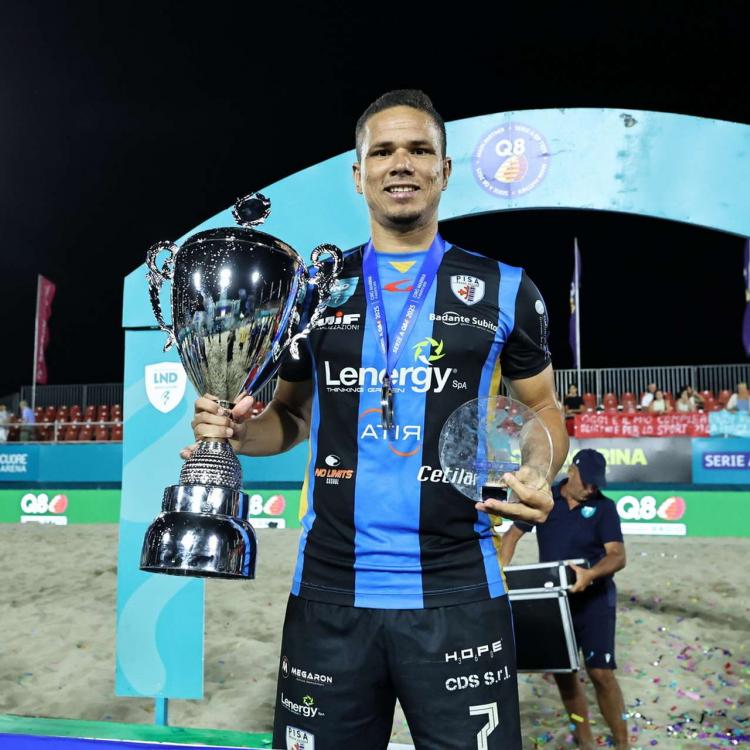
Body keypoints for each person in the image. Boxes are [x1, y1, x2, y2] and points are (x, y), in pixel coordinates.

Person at [184, 89, 568, 749]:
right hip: (329, 592)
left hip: (458, 591)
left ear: (445, 171)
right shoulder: (312, 291)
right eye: (383, 151)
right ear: (358, 174)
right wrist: (240, 433)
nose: (401, 163)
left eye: (419, 150)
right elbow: (290, 417)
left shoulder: (506, 288)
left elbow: (542, 407)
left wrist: (540, 468)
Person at [500, 449, 628, 750]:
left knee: (601, 673)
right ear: (572, 471)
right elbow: (511, 536)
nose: (592, 488)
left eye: (597, 483)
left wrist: (590, 574)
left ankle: (623, 744)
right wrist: (500, 573)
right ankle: (585, 742)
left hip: (595, 599)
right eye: (587, 481)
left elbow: (617, 555)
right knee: (564, 673)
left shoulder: (604, 508)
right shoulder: (547, 500)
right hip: (556, 601)